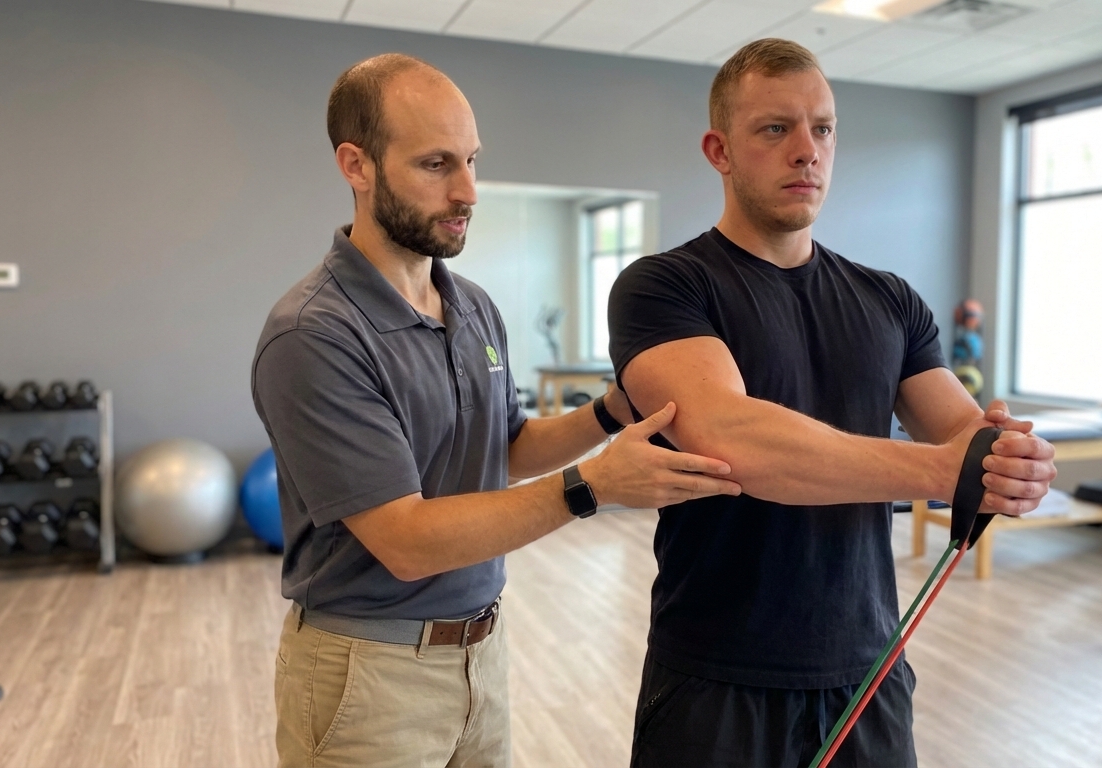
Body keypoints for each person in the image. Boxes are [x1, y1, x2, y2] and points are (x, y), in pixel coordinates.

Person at [251, 53, 741, 768]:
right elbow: (406, 540)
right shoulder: (314, 334)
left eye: (472, 160)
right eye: (435, 165)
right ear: (357, 166)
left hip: (482, 653)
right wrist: (594, 486)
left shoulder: (472, 306)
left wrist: (612, 410)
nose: (468, 191)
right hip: (367, 674)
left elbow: (507, 448)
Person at [608, 39, 1059, 767]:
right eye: (775, 128)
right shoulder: (666, 286)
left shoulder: (890, 300)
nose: (806, 151)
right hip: (717, 679)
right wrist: (943, 470)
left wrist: (1009, 459)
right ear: (720, 151)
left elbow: (963, 432)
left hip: (868, 671)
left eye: (822, 129)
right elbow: (730, 438)